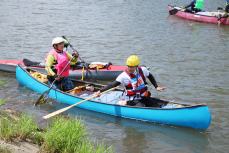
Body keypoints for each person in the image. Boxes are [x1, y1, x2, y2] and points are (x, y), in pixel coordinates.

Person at [95, 55, 166, 107]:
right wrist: (100, 91)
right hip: (132, 98)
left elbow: (150, 76)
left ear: (137, 66)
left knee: (155, 105)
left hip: (143, 96)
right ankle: (125, 102)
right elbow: (113, 85)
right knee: (141, 106)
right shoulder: (123, 76)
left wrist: (156, 86)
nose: (129, 68)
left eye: (132, 67)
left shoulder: (143, 70)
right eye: (128, 66)